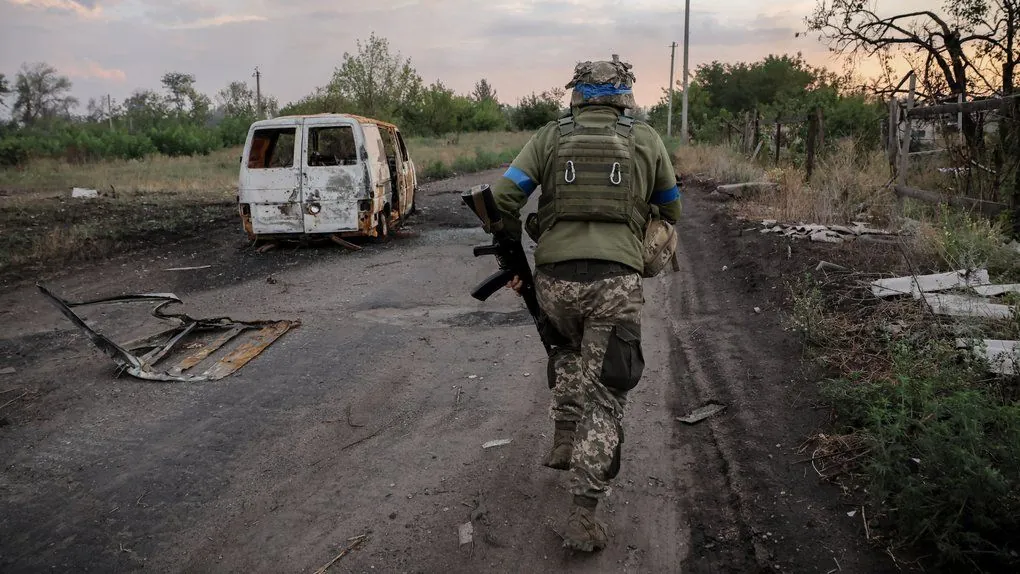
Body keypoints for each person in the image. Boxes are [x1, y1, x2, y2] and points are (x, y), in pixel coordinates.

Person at [491, 54, 682, 552]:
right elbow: (673, 207)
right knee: (608, 394)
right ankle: (583, 516)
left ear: (576, 92)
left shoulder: (550, 137)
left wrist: (515, 253)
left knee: (567, 351)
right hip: (614, 284)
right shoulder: (645, 139)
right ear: (625, 95)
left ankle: (563, 438)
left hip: (555, 282)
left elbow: (502, 197)